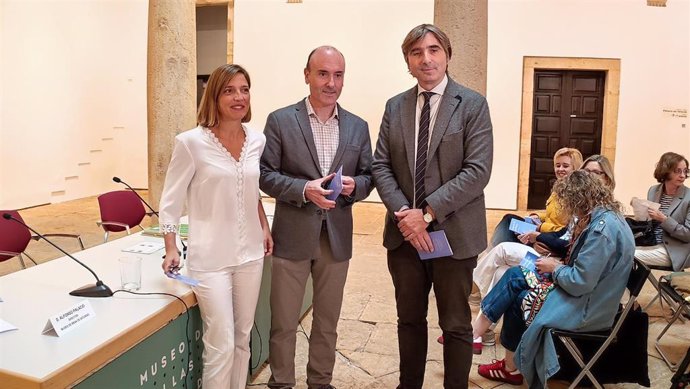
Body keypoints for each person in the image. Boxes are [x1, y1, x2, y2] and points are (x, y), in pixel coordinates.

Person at [372, 24, 493, 389]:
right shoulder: (396, 106)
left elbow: (477, 171)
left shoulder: (471, 104)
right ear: (408, 62)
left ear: (447, 55)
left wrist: (426, 214)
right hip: (405, 238)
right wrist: (406, 218)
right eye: (416, 52)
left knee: (455, 324)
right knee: (409, 320)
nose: (426, 59)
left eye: (434, 49)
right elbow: (381, 165)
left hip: (452, 237)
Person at [260, 46, 373, 389]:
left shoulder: (357, 126)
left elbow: (370, 175)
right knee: (283, 321)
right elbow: (264, 174)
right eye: (323, 74)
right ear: (307, 74)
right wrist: (302, 188)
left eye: (338, 75)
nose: (331, 83)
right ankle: (281, 382)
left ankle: (320, 382)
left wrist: (356, 186)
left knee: (327, 321)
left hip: (336, 238)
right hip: (292, 233)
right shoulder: (281, 120)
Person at [158, 64, 273, 389]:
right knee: (220, 343)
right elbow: (170, 201)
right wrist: (170, 247)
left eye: (244, 89)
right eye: (229, 90)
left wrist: (263, 226)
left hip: (250, 253)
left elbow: (250, 191)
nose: (239, 97)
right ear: (214, 96)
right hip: (209, 260)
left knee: (241, 339)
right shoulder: (190, 142)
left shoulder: (257, 140)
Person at [472, 170, 634, 387]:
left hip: (587, 308)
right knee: (516, 274)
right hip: (590, 297)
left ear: (578, 199)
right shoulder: (606, 218)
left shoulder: (600, 231)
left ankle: (487, 348)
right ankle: (484, 341)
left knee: (519, 297)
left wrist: (555, 267)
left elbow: (579, 283)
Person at [461, 154, 616, 349]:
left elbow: (572, 258)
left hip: (553, 266)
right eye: (586, 172)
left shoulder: (598, 221)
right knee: (502, 268)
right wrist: (538, 231)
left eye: (595, 173)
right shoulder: (583, 210)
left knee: (503, 254)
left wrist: (539, 237)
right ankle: (483, 332)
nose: (590, 177)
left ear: (607, 179)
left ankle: (471, 305)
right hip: (550, 260)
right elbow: (563, 233)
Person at [489, 148, 583, 249]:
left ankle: (497, 252)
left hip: (551, 236)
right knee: (509, 220)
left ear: (575, 168)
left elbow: (567, 230)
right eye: (557, 165)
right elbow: (550, 213)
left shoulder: (576, 195)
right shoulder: (559, 187)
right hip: (543, 228)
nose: (560, 169)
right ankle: (497, 251)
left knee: (509, 225)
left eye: (565, 166)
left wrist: (540, 227)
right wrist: (537, 216)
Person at [634, 152, 690, 271]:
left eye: (685, 171)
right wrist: (639, 208)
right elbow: (648, 222)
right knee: (618, 249)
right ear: (665, 171)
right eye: (677, 171)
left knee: (628, 255)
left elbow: (688, 235)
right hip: (650, 241)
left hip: (674, 250)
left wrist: (664, 220)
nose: (683, 175)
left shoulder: (688, 197)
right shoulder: (653, 191)